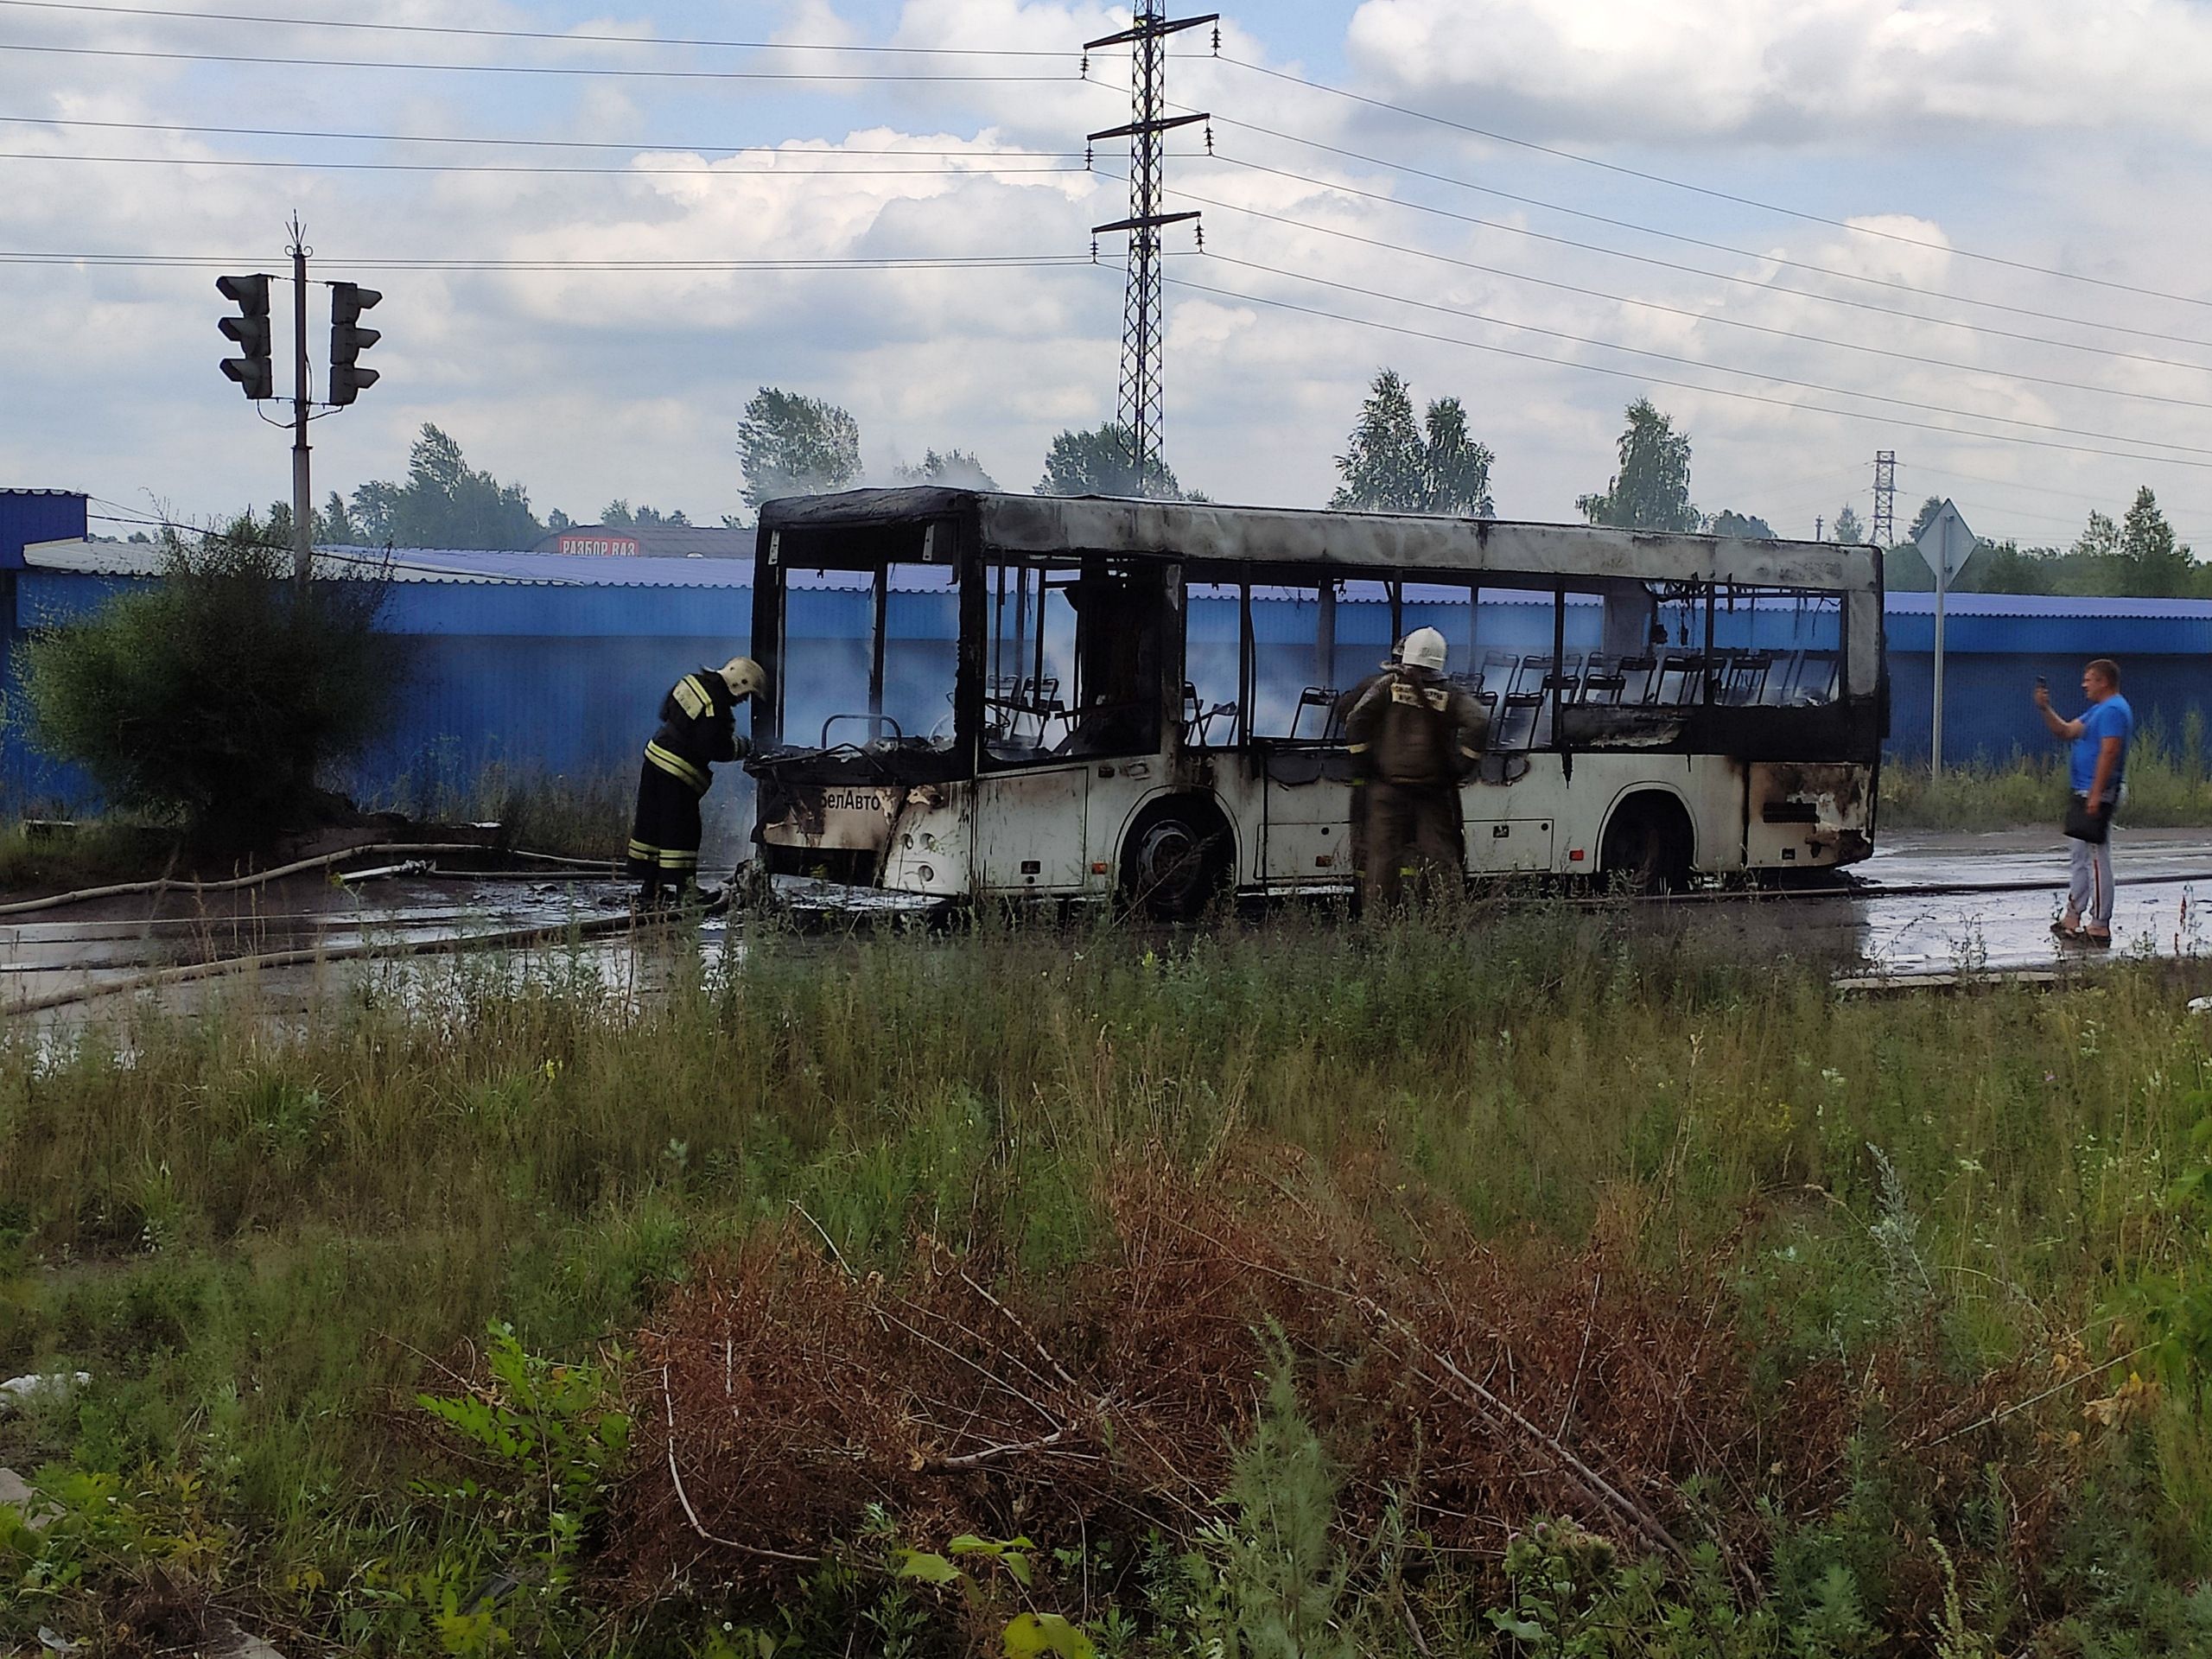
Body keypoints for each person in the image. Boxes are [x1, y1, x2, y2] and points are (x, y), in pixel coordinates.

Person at [1341, 626, 1489, 910]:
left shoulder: (1387, 687)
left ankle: (1379, 927)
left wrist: (1364, 762)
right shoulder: (1452, 695)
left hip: (1387, 789)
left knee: (1382, 859)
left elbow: (1355, 719)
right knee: (1441, 859)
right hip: (1433, 793)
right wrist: (1463, 764)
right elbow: (1480, 721)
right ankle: (1444, 925)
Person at [628, 656, 766, 905]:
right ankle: (686, 891)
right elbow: (717, 748)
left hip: (654, 757)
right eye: (746, 694)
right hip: (677, 771)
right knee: (683, 829)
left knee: (652, 825)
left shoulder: (690, 683)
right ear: (738, 683)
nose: (744, 700)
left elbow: (665, 712)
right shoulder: (718, 708)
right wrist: (747, 747)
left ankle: (651, 888)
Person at [2035, 657, 2132, 948]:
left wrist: (2095, 792)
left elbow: (2110, 751)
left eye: (2089, 679)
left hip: (2097, 793)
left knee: (2097, 860)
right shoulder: (2098, 711)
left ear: (2104, 681)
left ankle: (2100, 925)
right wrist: (2045, 708)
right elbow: (2065, 731)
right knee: (2080, 858)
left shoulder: (2114, 709)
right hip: (2085, 791)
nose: (2084, 684)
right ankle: (2073, 916)